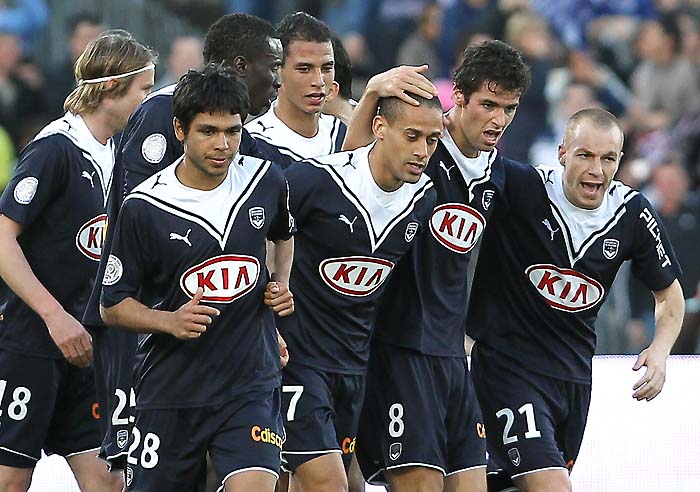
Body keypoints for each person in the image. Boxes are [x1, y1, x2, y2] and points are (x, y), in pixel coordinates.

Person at [81, 12, 284, 471]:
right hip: (148, 334)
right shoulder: (163, 112)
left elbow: (268, 231)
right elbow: (139, 227)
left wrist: (265, 305)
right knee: (124, 475)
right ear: (241, 65)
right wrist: (165, 318)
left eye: (230, 132)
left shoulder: (250, 150)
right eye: (273, 66)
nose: (278, 81)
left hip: (229, 351)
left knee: (248, 472)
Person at [343, 40, 531, 492]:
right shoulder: (418, 147)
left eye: (509, 108)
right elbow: (346, 173)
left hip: (451, 354)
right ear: (458, 98)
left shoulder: (498, 173)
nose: (498, 120)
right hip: (399, 346)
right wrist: (371, 95)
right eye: (488, 105)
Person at [467, 108, 685, 492]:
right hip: (507, 370)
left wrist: (660, 350)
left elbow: (669, 296)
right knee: (552, 486)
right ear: (562, 152)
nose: (596, 170)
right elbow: (459, 158)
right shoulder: (522, 185)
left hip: (574, 379)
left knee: (508, 483)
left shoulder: (631, 212)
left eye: (608, 159)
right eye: (585, 155)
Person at [0, 29, 155, 492]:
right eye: (143, 90)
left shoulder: (118, 155)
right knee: (10, 479)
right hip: (32, 342)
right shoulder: (55, 150)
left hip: (90, 350)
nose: (148, 102)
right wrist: (54, 317)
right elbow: (3, 237)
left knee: (110, 482)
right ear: (111, 87)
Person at [279, 94, 441, 492]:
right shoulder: (316, 179)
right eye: (412, 136)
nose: (422, 151)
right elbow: (258, 229)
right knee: (328, 483)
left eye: (432, 140)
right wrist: (270, 296)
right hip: (297, 359)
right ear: (380, 128)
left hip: (354, 365)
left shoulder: (424, 199)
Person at [245, 11, 346, 167]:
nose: (319, 81)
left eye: (326, 68)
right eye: (305, 69)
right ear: (277, 71)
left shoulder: (341, 135)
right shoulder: (252, 145)